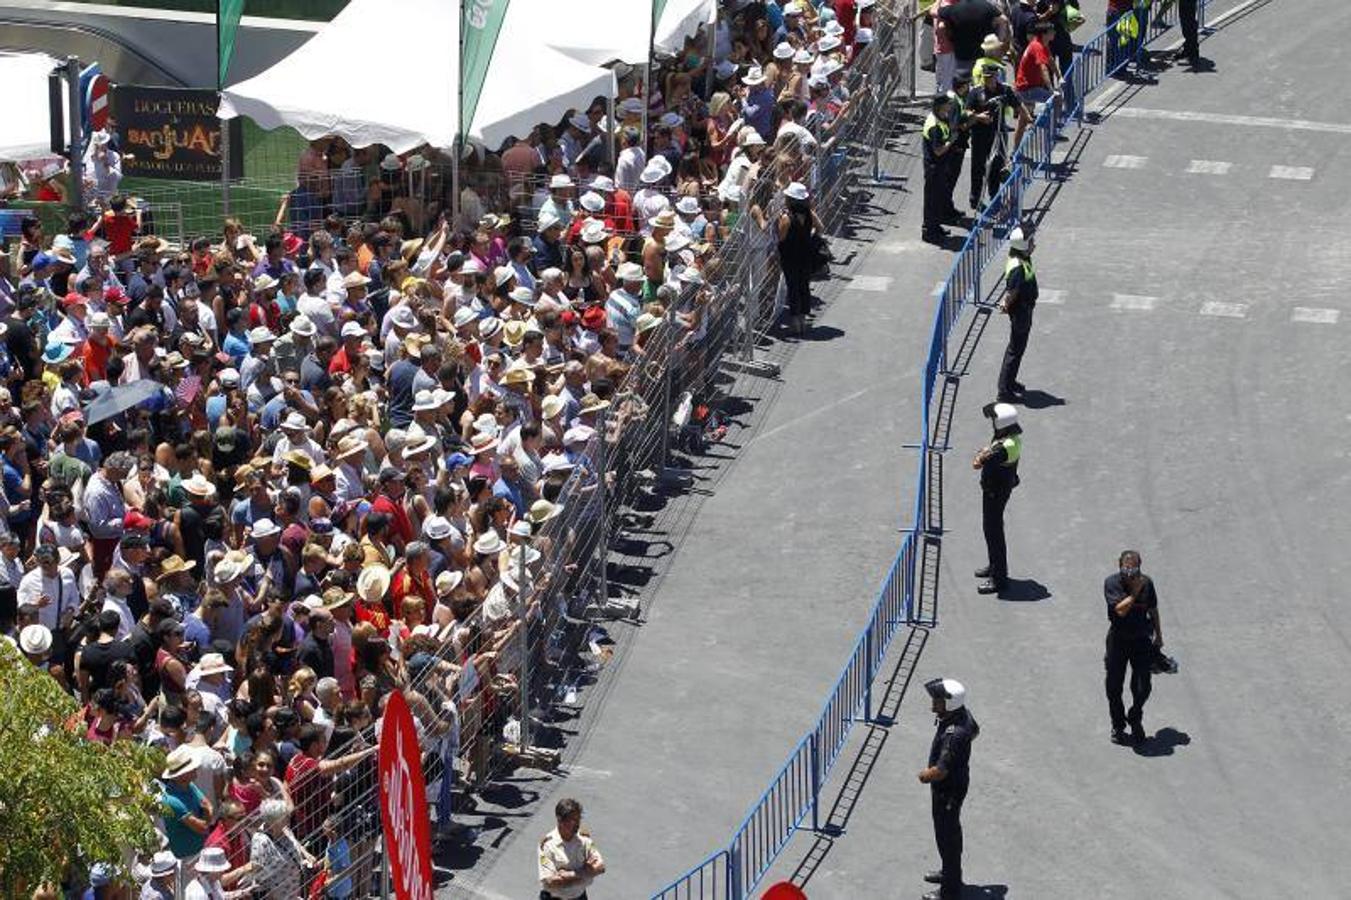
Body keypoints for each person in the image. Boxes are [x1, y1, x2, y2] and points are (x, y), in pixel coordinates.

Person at [918, 677, 979, 900]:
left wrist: (925, 775)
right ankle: (948, 872)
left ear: (950, 703)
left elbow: (940, 771)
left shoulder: (954, 735)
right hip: (951, 786)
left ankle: (950, 891)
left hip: (948, 791)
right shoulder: (961, 715)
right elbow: (975, 730)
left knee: (948, 837)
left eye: (938, 700)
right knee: (945, 834)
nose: (933, 704)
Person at [1104, 550, 1166, 745]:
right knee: (1114, 687)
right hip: (1118, 640)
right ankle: (1118, 725)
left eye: (1134, 568)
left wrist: (1159, 635)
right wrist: (1134, 592)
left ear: (1140, 566)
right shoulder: (1112, 583)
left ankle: (1135, 716)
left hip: (1141, 640)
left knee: (1142, 687)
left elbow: (1153, 609)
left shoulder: (1147, 583)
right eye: (1126, 567)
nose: (1130, 572)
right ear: (1119, 565)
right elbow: (1120, 611)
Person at [966, 67, 1032, 212]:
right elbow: (967, 110)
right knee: (978, 167)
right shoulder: (976, 92)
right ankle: (975, 199)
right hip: (980, 134)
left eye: (991, 77)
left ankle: (995, 198)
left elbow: (1018, 104)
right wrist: (979, 117)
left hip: (998, 132)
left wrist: (1028, 118)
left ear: (996, 76)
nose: (988, 79)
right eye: (986, 77)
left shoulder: (1004, 90)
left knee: (996, 167)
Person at [971, 402, 1021, 594]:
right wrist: (985, 453)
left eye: (994, 419)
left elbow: (977, 463)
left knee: (993, 533)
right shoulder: (1012, 438)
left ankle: (999, 579)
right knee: (992, 531)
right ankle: (994, 567)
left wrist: (981, 454)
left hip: (994, 493)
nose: (992, 422)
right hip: (1001, 489)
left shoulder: (1002, 448)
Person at [996, 227, 1038, 401]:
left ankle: (1010, 382)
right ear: (1023, 245)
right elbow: (1012, 292)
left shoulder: (1021, 257)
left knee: (1018, 349)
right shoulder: (1018, 267)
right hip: (1021, 312)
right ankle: (1004, 391)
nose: (1034, 243)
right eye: (1031, 241)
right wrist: (1005, 304)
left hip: (1024, 309)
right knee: (1015, 350)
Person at [776, 182, 823, 336]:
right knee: (804, 285)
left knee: (793, 287)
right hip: (806, 254)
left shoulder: (786, 218)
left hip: (790, 257)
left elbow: (781, 238)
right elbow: (820, 227)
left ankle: (796, 323)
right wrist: (811, 238)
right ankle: (802, 321)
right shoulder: (809, 213)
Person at [538, 797, 606, 900]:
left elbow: (600, 867)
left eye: (579, 819)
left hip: (579, 896)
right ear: (560, 820)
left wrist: (570, 875)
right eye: (573, 820)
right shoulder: (547, 845)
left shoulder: (584, 840)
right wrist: (586, 872)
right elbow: (551, 882)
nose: (577, 824)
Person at [922, 95, 957, 245]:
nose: (950, 107)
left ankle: (935, 227)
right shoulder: (934, 125)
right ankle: (929, 231)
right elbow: (937, 150)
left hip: (940, 167)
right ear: (941, 106)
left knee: (937, 198)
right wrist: (950, 142)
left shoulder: (941, 117)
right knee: (932, 200)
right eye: (948, 104)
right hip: (934, 167)